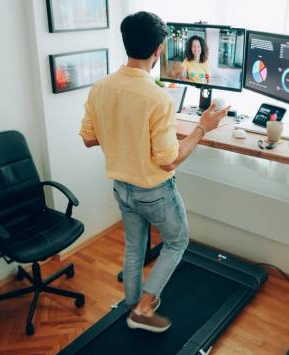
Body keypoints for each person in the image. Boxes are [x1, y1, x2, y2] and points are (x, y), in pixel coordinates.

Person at [80, 11, 229, 333]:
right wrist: (202, 128)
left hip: (121, 187)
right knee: (176, 242)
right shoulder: (157, 97)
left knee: (135, 247)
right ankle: (145, 308)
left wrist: (121, 132)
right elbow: (168, 162)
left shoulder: (101, 87)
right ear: (159, 49)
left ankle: (131, 304)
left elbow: (89, 138)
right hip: (154, 191)